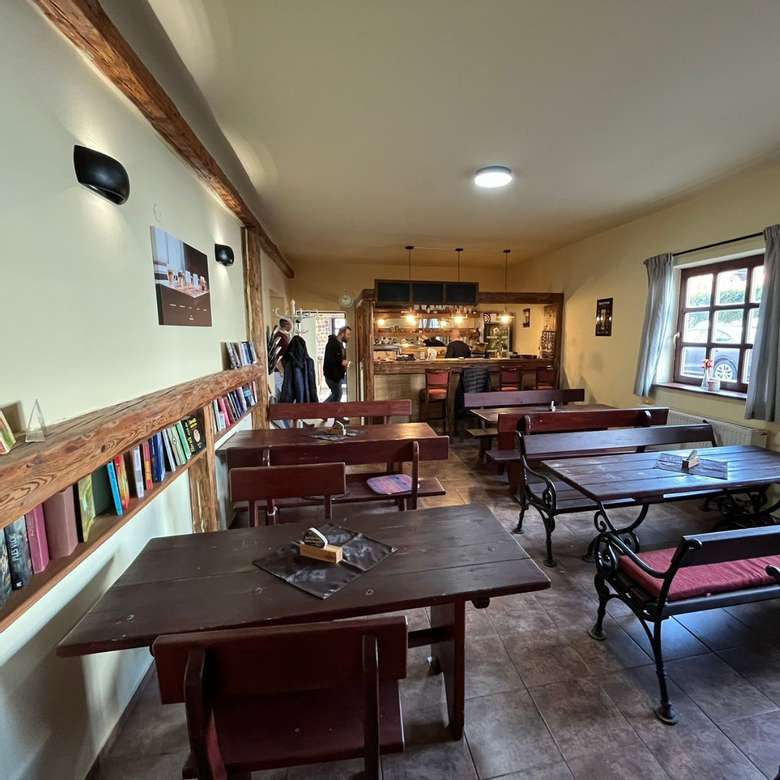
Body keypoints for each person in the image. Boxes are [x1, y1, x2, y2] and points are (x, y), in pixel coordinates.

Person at [323, 325, 351, 404]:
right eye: (348, 334)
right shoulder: (332, 344)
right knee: (337, 394)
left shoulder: (340, 344)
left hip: (337, 376)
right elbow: (329, 359)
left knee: (337, 395)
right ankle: (321, 408)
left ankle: (327, 410)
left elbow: (338, 358)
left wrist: (344, 363)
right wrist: (341, 362)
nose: (349, 337)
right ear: (342, 334)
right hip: (332, 376)